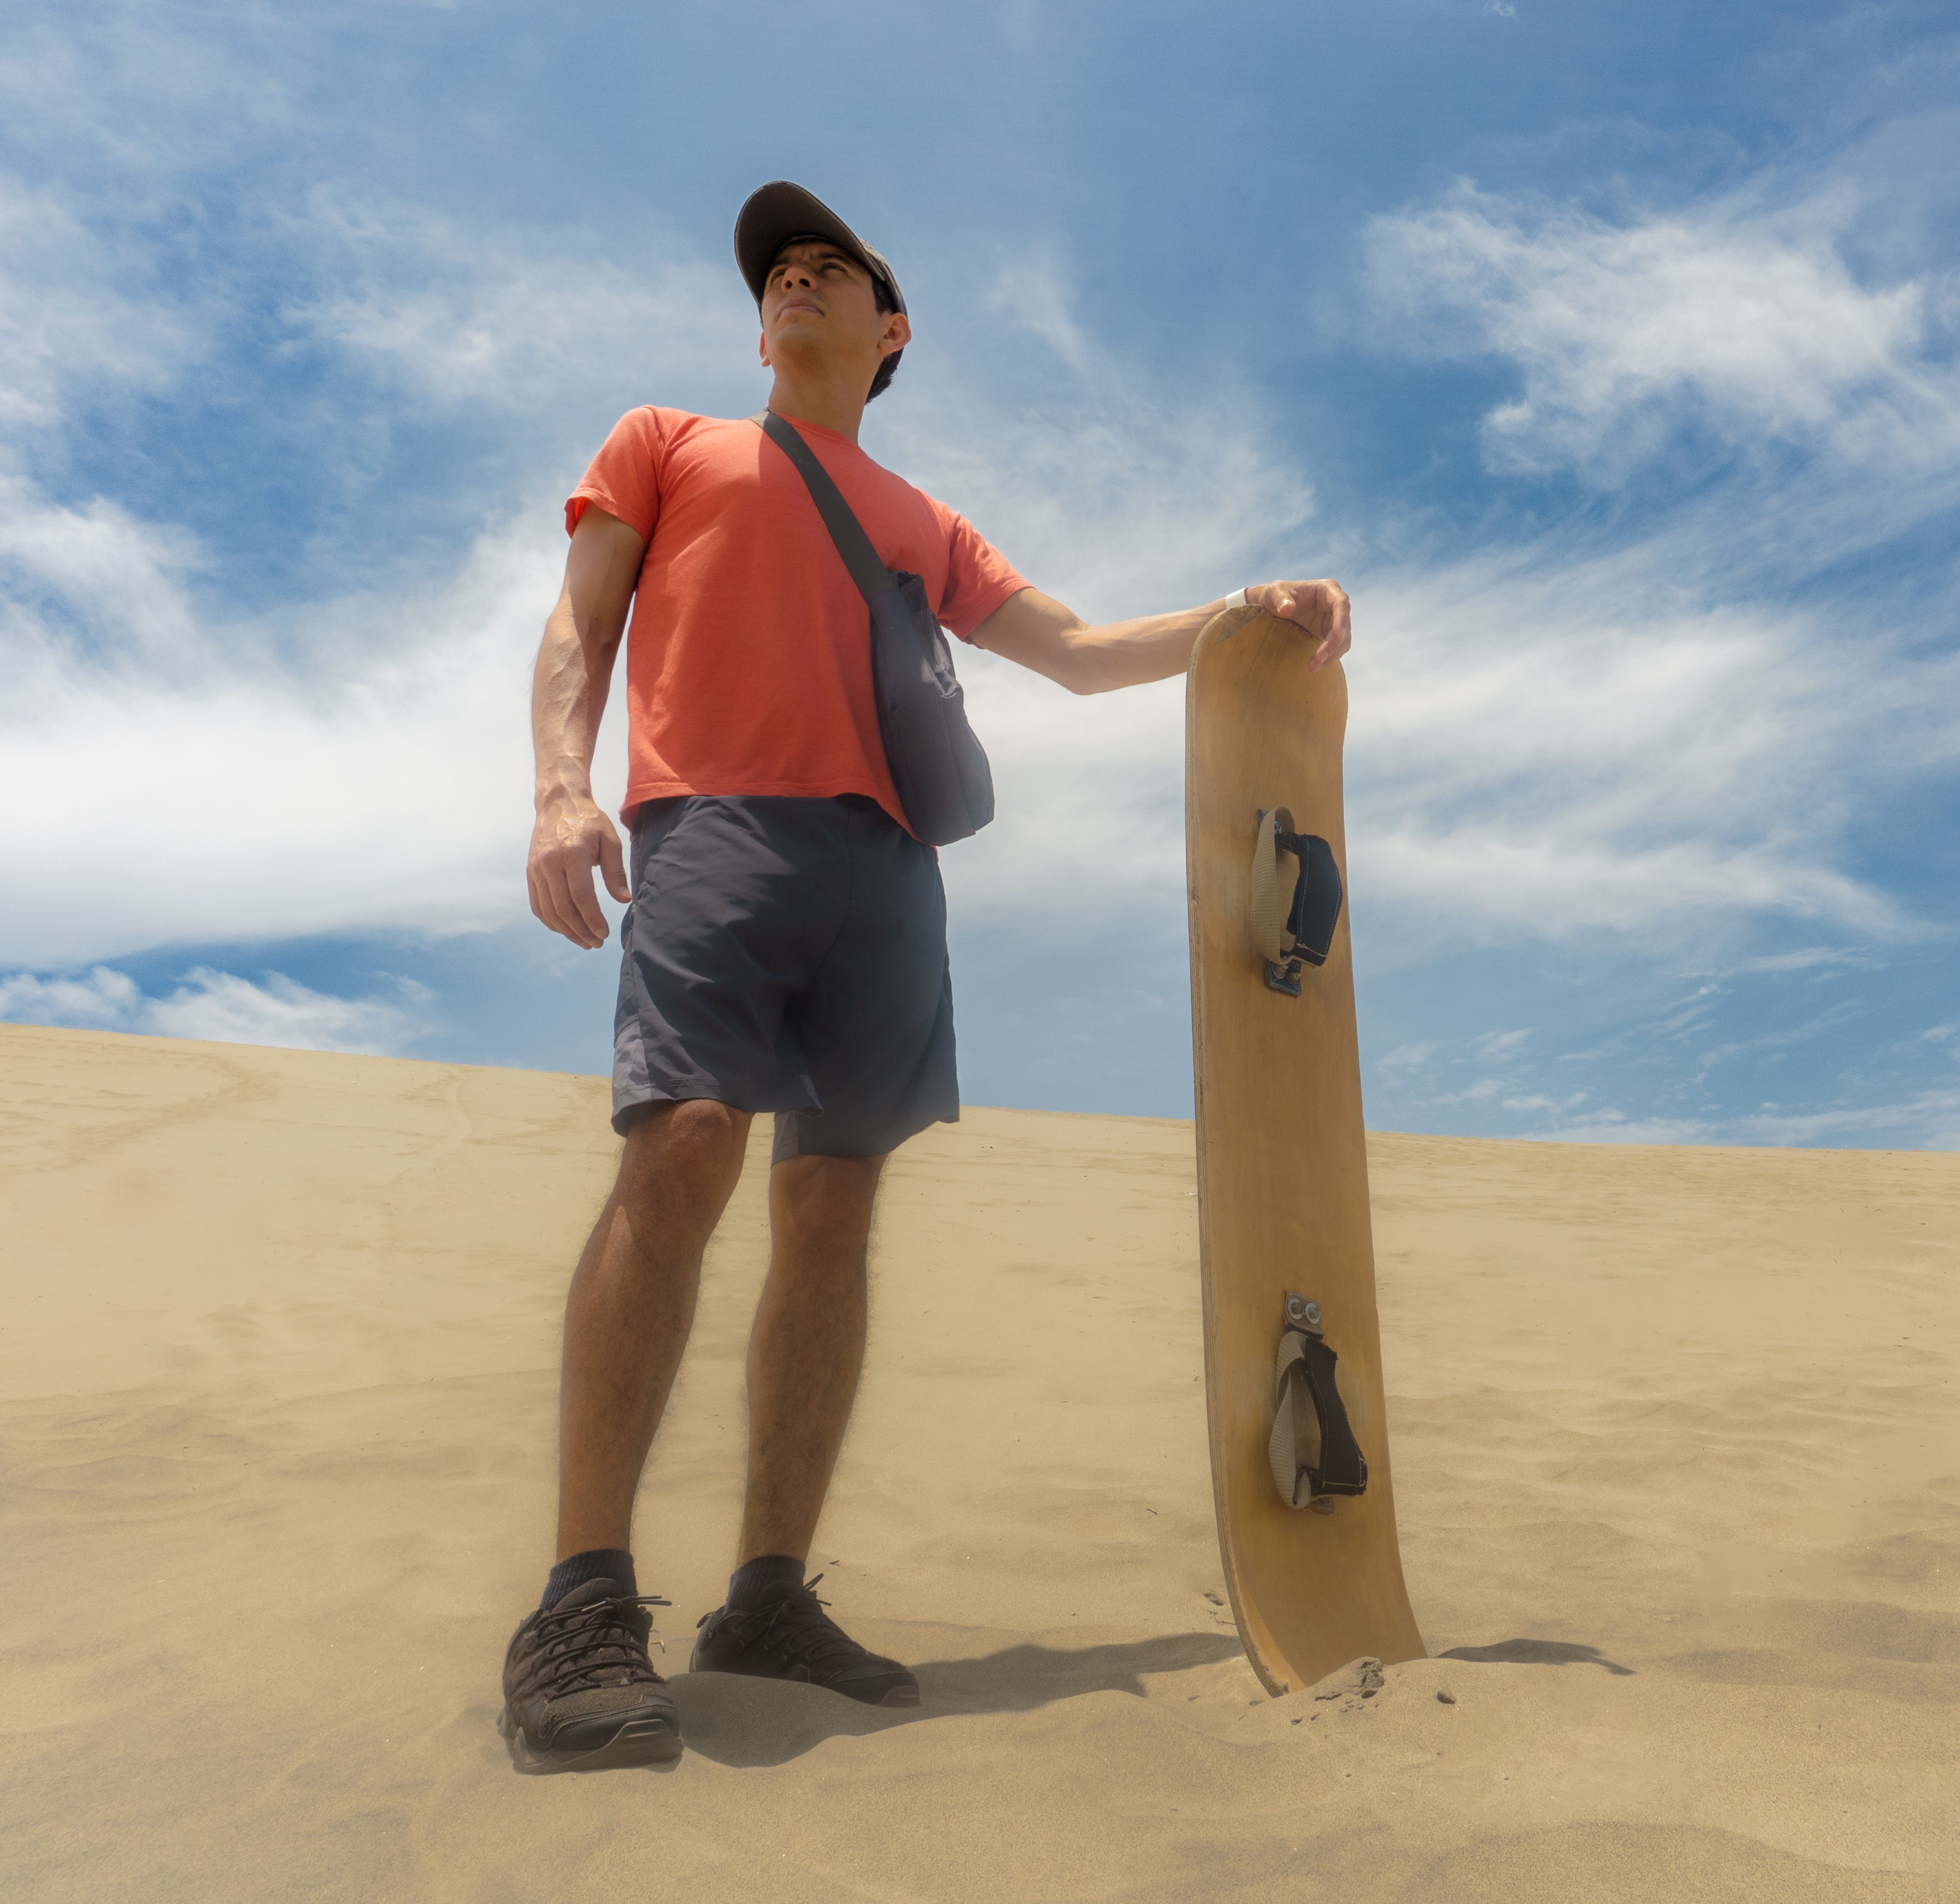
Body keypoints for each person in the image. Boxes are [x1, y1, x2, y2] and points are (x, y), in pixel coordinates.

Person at [497, 180, 1351, 1773]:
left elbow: (1084, 655)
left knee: (833, 1208)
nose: (796, 282)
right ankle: (578, 1597)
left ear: (890, 334)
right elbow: (579, 621)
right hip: (717, 831)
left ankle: (764, 1597)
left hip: (888, 873)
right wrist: (561, 785)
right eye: (781, 272)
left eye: (832, 271)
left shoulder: (922, 522)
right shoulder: (666, 442)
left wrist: (1248, 616)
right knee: (683, 1150)